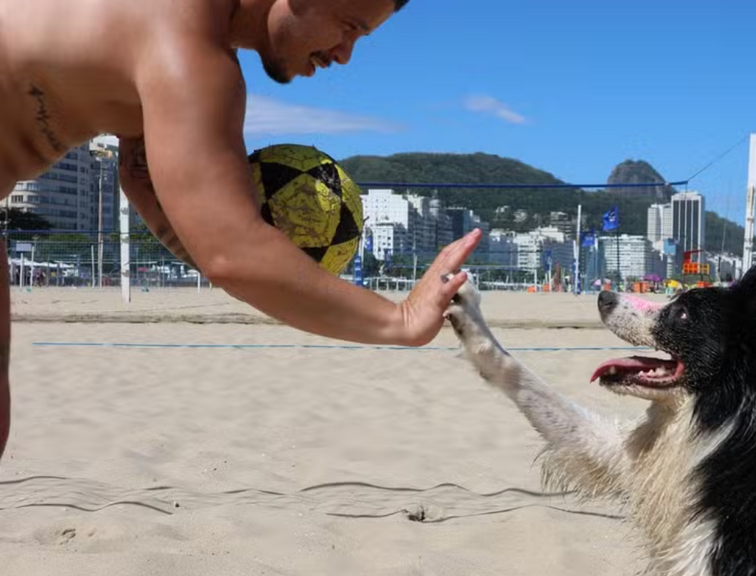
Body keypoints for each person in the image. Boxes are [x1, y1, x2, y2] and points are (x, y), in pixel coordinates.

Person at [0, 0, 481, 459]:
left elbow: (151, 186)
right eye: (349, 26)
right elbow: (233, 253)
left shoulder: (169, 31)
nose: (344, 54)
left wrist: (221, 242)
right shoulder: (189, 46)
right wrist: (401, 320)